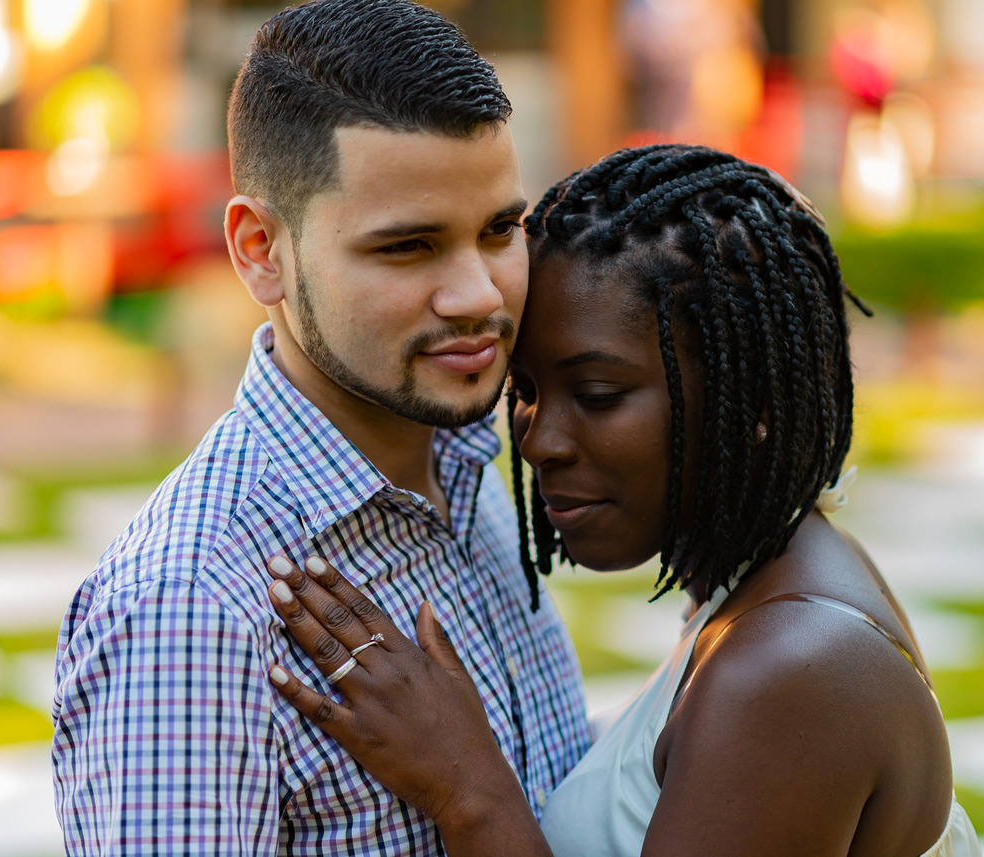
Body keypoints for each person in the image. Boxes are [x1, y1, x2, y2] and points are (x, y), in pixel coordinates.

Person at [261, 145, 983, 857]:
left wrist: (466, 785)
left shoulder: (791, 671)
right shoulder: (770, 577)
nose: (540, 441)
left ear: (749, 396)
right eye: (528, 391)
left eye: (598, 395)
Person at [50, 2, 590, 853]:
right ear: (261, 248)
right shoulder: (193, 610)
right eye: (408, 247)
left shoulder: (469, 477)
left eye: (498, 231)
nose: (481, 295)